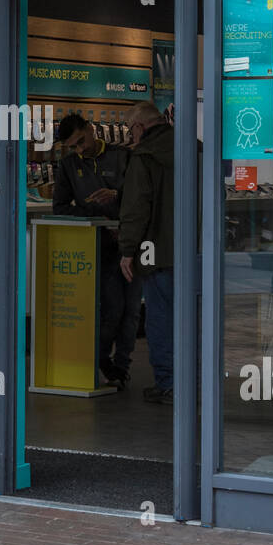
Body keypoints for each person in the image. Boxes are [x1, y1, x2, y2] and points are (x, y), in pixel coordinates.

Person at [52, 112, 140, 386]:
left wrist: (117, 195)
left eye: (81, 141)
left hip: (131, 242)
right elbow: (61, 208)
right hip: (98, 246)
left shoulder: (121, 156)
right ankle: (102, 358)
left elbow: (141, 196)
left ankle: (122, 366)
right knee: (113, 307)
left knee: (132, 310)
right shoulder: (67, 166)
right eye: (74, 147)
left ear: (90, 129)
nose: (81, 149)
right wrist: (95, 219)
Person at [117, 103, 175, 404]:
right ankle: (196, 379)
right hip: (197, 251)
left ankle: (168, 381)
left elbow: (136, 207)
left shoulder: (144, 157)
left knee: (161, 317)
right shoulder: (196, 148)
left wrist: (127, 250)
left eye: (130, 130)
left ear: (139, 127)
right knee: (196, 318)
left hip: (158, 253)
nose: (130, 136)